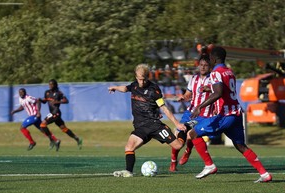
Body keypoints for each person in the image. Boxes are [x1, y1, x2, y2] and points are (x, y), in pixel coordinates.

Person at [189, 46, 272, 183]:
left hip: (225, 116)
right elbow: (224, 90)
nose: (209, 59)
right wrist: (209, 88)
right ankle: (264, 174)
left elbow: (219, 93)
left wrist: (200, 106)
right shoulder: (229, 71)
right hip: (236, 114)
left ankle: (209, 165)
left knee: (193, 134)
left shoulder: (216, 72)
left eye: (210, 57)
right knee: (241, 146)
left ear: (214, 58)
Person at [108, 64, 187, 177]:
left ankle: (184, 129)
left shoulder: (154, 89)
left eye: (144, 78)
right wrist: (115, 87)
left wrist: (177, 123)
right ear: (136, 77)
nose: (142, 82)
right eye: (140, 79)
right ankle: (128, 171)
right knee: (129, 147)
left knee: (178, 146)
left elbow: (163, 108)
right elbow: (125, 88)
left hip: (154, 125)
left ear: (147, 76)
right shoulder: (134, 86)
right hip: (141, 127)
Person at [169, 55, 216, 174]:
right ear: (198, 65)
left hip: (203, 114)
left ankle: (188, 151)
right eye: (201, 65)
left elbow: (218, 93)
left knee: (188, 133)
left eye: (206, 65)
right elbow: (187, 94)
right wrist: (183, 97)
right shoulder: (193, 79)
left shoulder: (214, 79)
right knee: (178, 133)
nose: (203, 67)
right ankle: (173, 161)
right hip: (190, 112)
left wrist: (210, 91)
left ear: (210, 66)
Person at [39, 79, 83, 151]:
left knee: (42, 125)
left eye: (52, 84)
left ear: (55, 85)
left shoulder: (59, 93)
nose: (50, 86)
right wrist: (40, 100)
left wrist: (58, 101)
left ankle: (53, 141)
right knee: (64, 128)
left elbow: (66, 101)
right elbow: (44, 101)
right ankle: (77, 139)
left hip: (55, 113)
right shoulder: (47, 92)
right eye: (49, 84)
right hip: (53, 113)